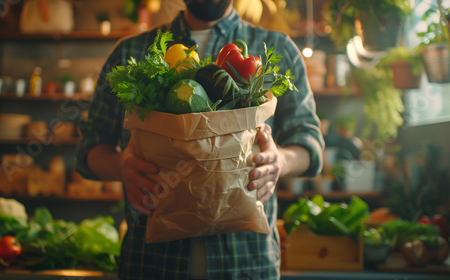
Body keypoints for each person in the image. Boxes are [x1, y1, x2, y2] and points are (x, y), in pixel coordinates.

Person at [75, 0, 324, 279]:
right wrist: (121, 165)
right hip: (150, 265)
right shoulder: (128, 52)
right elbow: (89, 151)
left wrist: (281, 161)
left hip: (246, 263)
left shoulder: (278, 48)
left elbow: (310, 144)